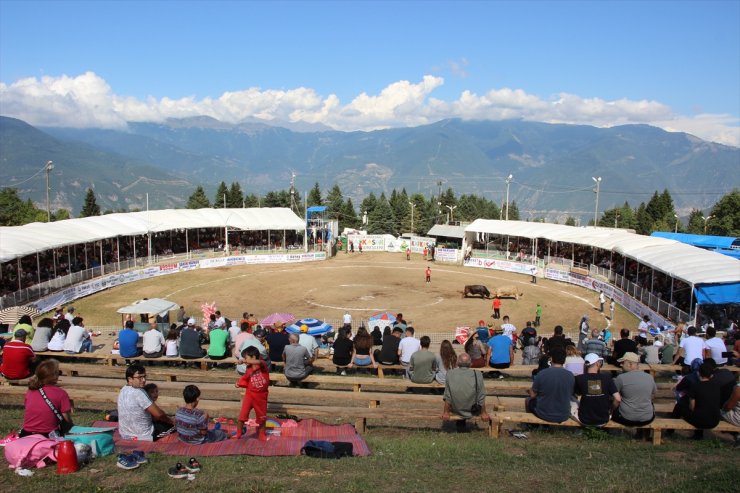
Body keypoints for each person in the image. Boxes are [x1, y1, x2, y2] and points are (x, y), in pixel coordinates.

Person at [117, 363, 174, 441]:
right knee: (176, 425)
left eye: (144, 377)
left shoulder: (123, 389)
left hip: (124, 434)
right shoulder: (139, 392)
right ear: (130, 379)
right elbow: (159, 415)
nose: (143, 380)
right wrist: (170, 420)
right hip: (143, 435)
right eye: (139, 377)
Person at [20, 359, 73, 437]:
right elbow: (66, 418)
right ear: (55, 376)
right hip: (48, 434)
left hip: (26, 433)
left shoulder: (31, 391)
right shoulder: (61, 393)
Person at [672, 362, 722, 438]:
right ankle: (698, 435)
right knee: (702, 409)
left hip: (700, 421)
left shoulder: (695, 386)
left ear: (699, 373)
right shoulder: (717, 386)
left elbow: (692, 407)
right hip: (715, 420)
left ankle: (669, 431)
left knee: (679, 406)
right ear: (711, 375)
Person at [442, 353, 490, 432]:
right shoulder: (477, 374)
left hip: (455, 408)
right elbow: (481, 395)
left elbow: (448, 395)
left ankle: (460, 422)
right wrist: (483, 412)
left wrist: (446, 412)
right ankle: (461, 422)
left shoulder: (450, 373)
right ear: (470, 363)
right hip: (472, 409)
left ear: (457, 363)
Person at [526, 348, 574, 423]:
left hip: (544, 413)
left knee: (528, 400)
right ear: (564, 360)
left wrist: (529, 391)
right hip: (564, 414)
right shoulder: (570, 375)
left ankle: (531, 425)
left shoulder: (542, 373)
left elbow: (533, 395)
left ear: (551, 359)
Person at [572, 353, 620, 426]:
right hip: (604, 419)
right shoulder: (607, 378)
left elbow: (576, 394)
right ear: (598, 363)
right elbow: (618, 399)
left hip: (585, 419)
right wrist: (611, 409)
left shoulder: (579, 378)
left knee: (572, 401)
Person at [612, 352, 657, 428]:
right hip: (647, 418)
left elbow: (616, 400)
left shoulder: (621, 378)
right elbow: (653, 395)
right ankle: (642, 435)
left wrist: (611, 410)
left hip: (627, 418)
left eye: (623, 362)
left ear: (630, 364)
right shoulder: (649, 377)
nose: (620, 365)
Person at [235, 346, 270, 440]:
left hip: (261, 396)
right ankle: (238, 434)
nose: (246, 360)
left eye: (247, 357)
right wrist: (239, 383)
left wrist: (243, 361)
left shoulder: (262, 364)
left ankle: (262, 434)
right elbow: (246, 378)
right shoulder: (249, 368)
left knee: (262, 416)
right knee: (242, 415)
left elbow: (258, 362)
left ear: (253, 357)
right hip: (250, 394)